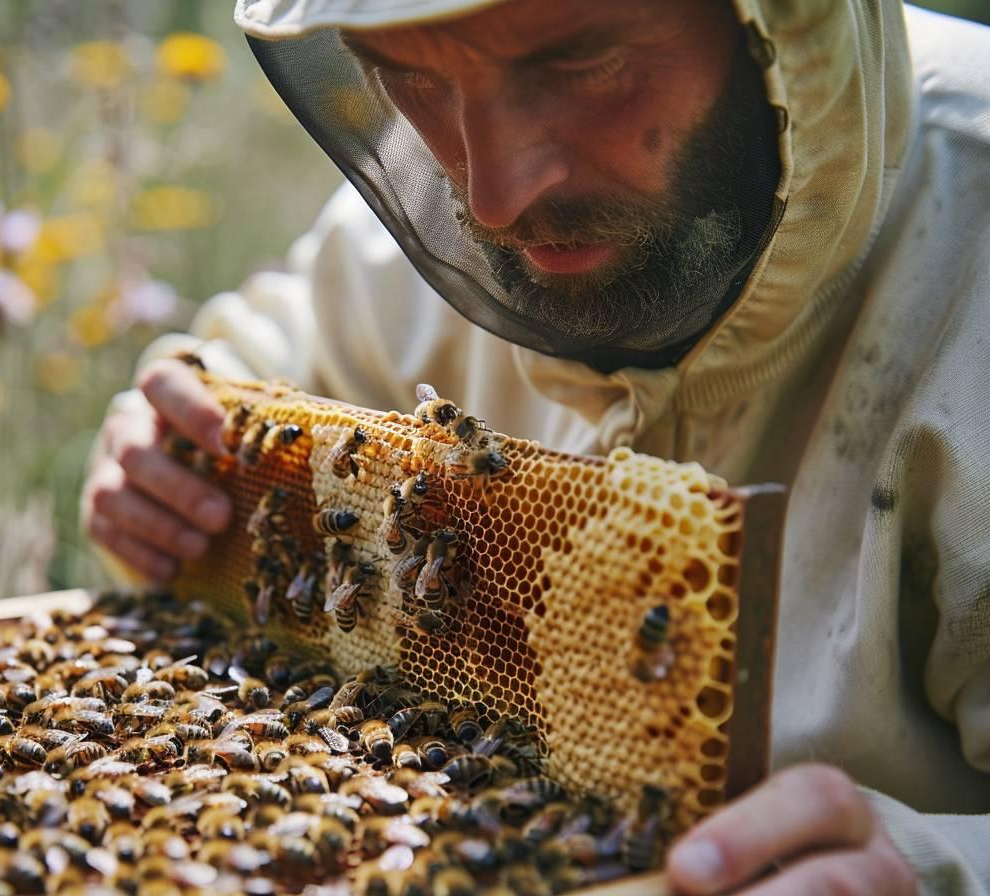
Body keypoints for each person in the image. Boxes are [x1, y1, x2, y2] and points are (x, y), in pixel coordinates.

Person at [83, 0, 990, 891]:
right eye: (410, 77)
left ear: (782, 26)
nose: (493, 193)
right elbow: (268, 351)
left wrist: (931, 869)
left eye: (581, 65)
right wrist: (163, 444)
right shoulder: (427, 215)